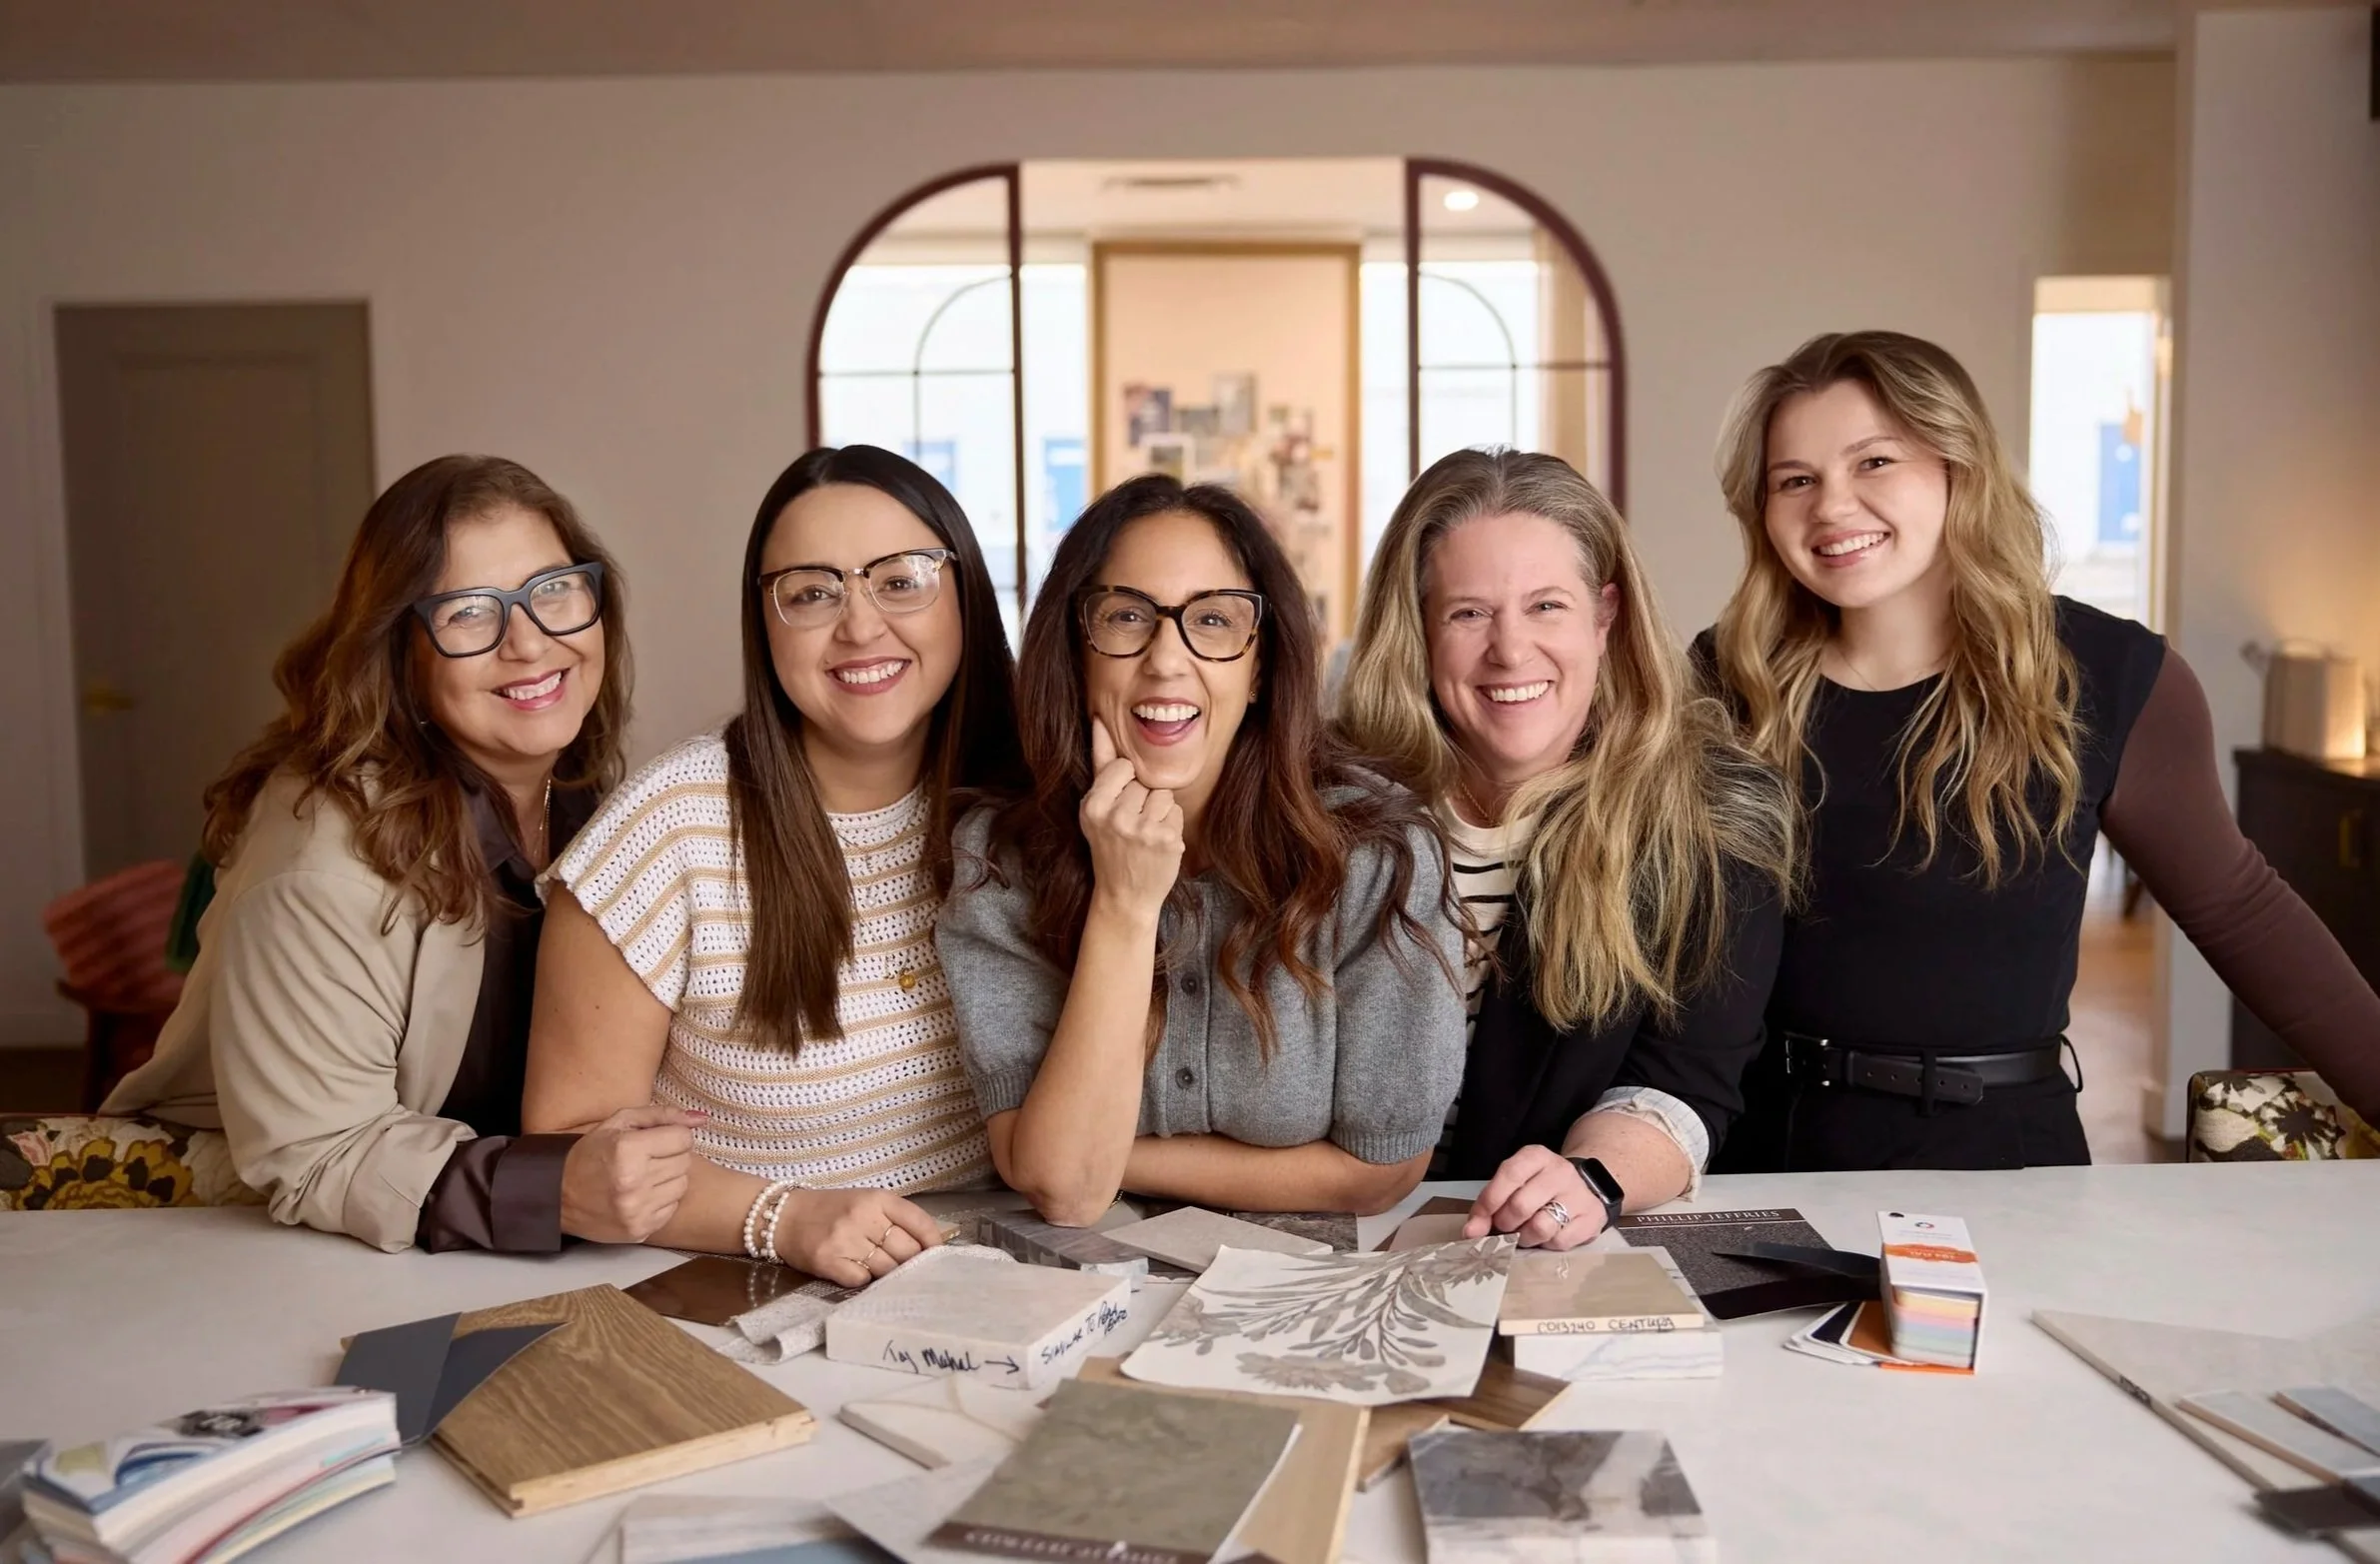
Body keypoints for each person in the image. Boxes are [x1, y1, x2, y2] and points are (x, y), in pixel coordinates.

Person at [1700, 330, 2380, 1171]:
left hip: (2010, 1164)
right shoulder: (1722, 683)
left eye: (1874, 462)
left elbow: (2241, 909)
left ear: (1959, 465)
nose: (1831, 505)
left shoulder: (2111, 675)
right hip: (1766, 1157)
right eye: (1794, 480)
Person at [105, 455, 686, 1252]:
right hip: (239, 1232)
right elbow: (319, 1152)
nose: (529, 641)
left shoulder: (582, 791)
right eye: (468, 612)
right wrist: (552, 1188)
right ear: (398, 648)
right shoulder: (322, 857)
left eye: (553, 590)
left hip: (447, 1241)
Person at [524, 447, 1026, 1288]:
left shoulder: (1033, 810)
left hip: (998, 1274)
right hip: (736, 1281)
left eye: (901, 580)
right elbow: (573, 1156)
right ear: (765, 624)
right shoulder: (671, 824)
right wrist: (782, 1215)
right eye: (812, 592)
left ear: (965, 595)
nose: (861, 625)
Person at [935, 476, 1465, 1226]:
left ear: (1258, 667)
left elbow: (1379, 1169)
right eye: (1126, 616)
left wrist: (1089, 1148)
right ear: (1078, 654)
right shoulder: (999, 859)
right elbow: (1064, 1192)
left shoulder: (1378, 854)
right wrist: (1124, 902)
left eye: (1212, 620)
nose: (1165, 659)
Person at [1337, 450, 1793, 1249]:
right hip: (1331, 1223)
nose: (1510, 651)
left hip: (1535, 1241)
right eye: (1468, 613)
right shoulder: (1329, 806)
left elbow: (1685, 1086)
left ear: (1604, 613)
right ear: (1416, 628)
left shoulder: (1713, 817)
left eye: (1546, 605)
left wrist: (1590, 1176)